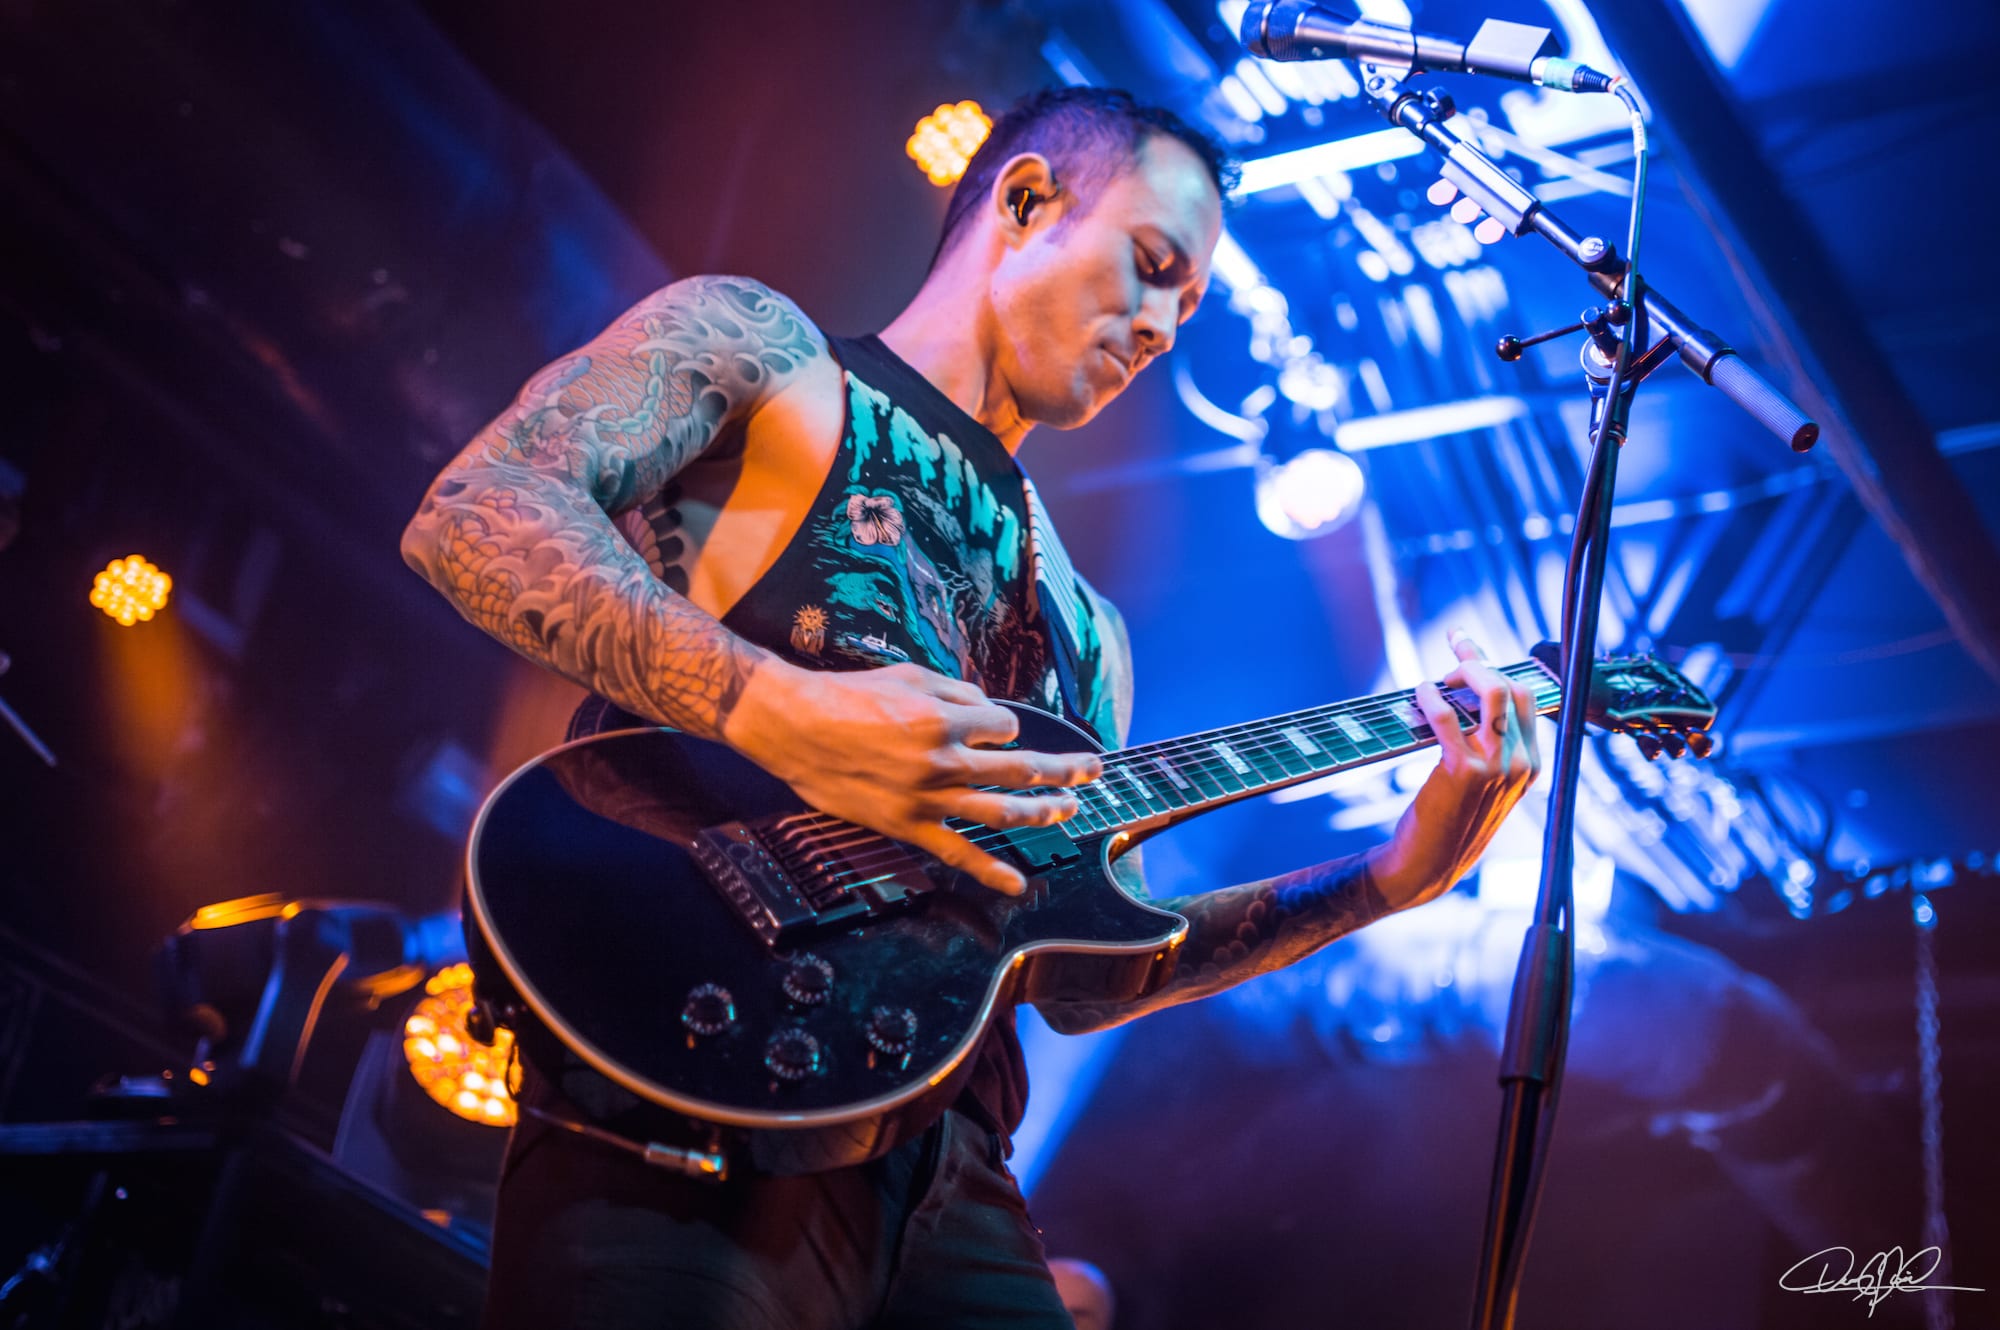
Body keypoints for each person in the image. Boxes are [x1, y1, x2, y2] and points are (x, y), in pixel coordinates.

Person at [401, 87, 1542, 1330]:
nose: (1162, 326)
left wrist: (1388, 879)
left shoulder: (1089, 630)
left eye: (1188, 304)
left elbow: (1090, 979)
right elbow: (476, 513)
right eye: (1152, 264)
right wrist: (776, 707)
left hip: (960, 1174)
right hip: (688, 1088)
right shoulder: (772, 356)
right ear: (1026, 200)